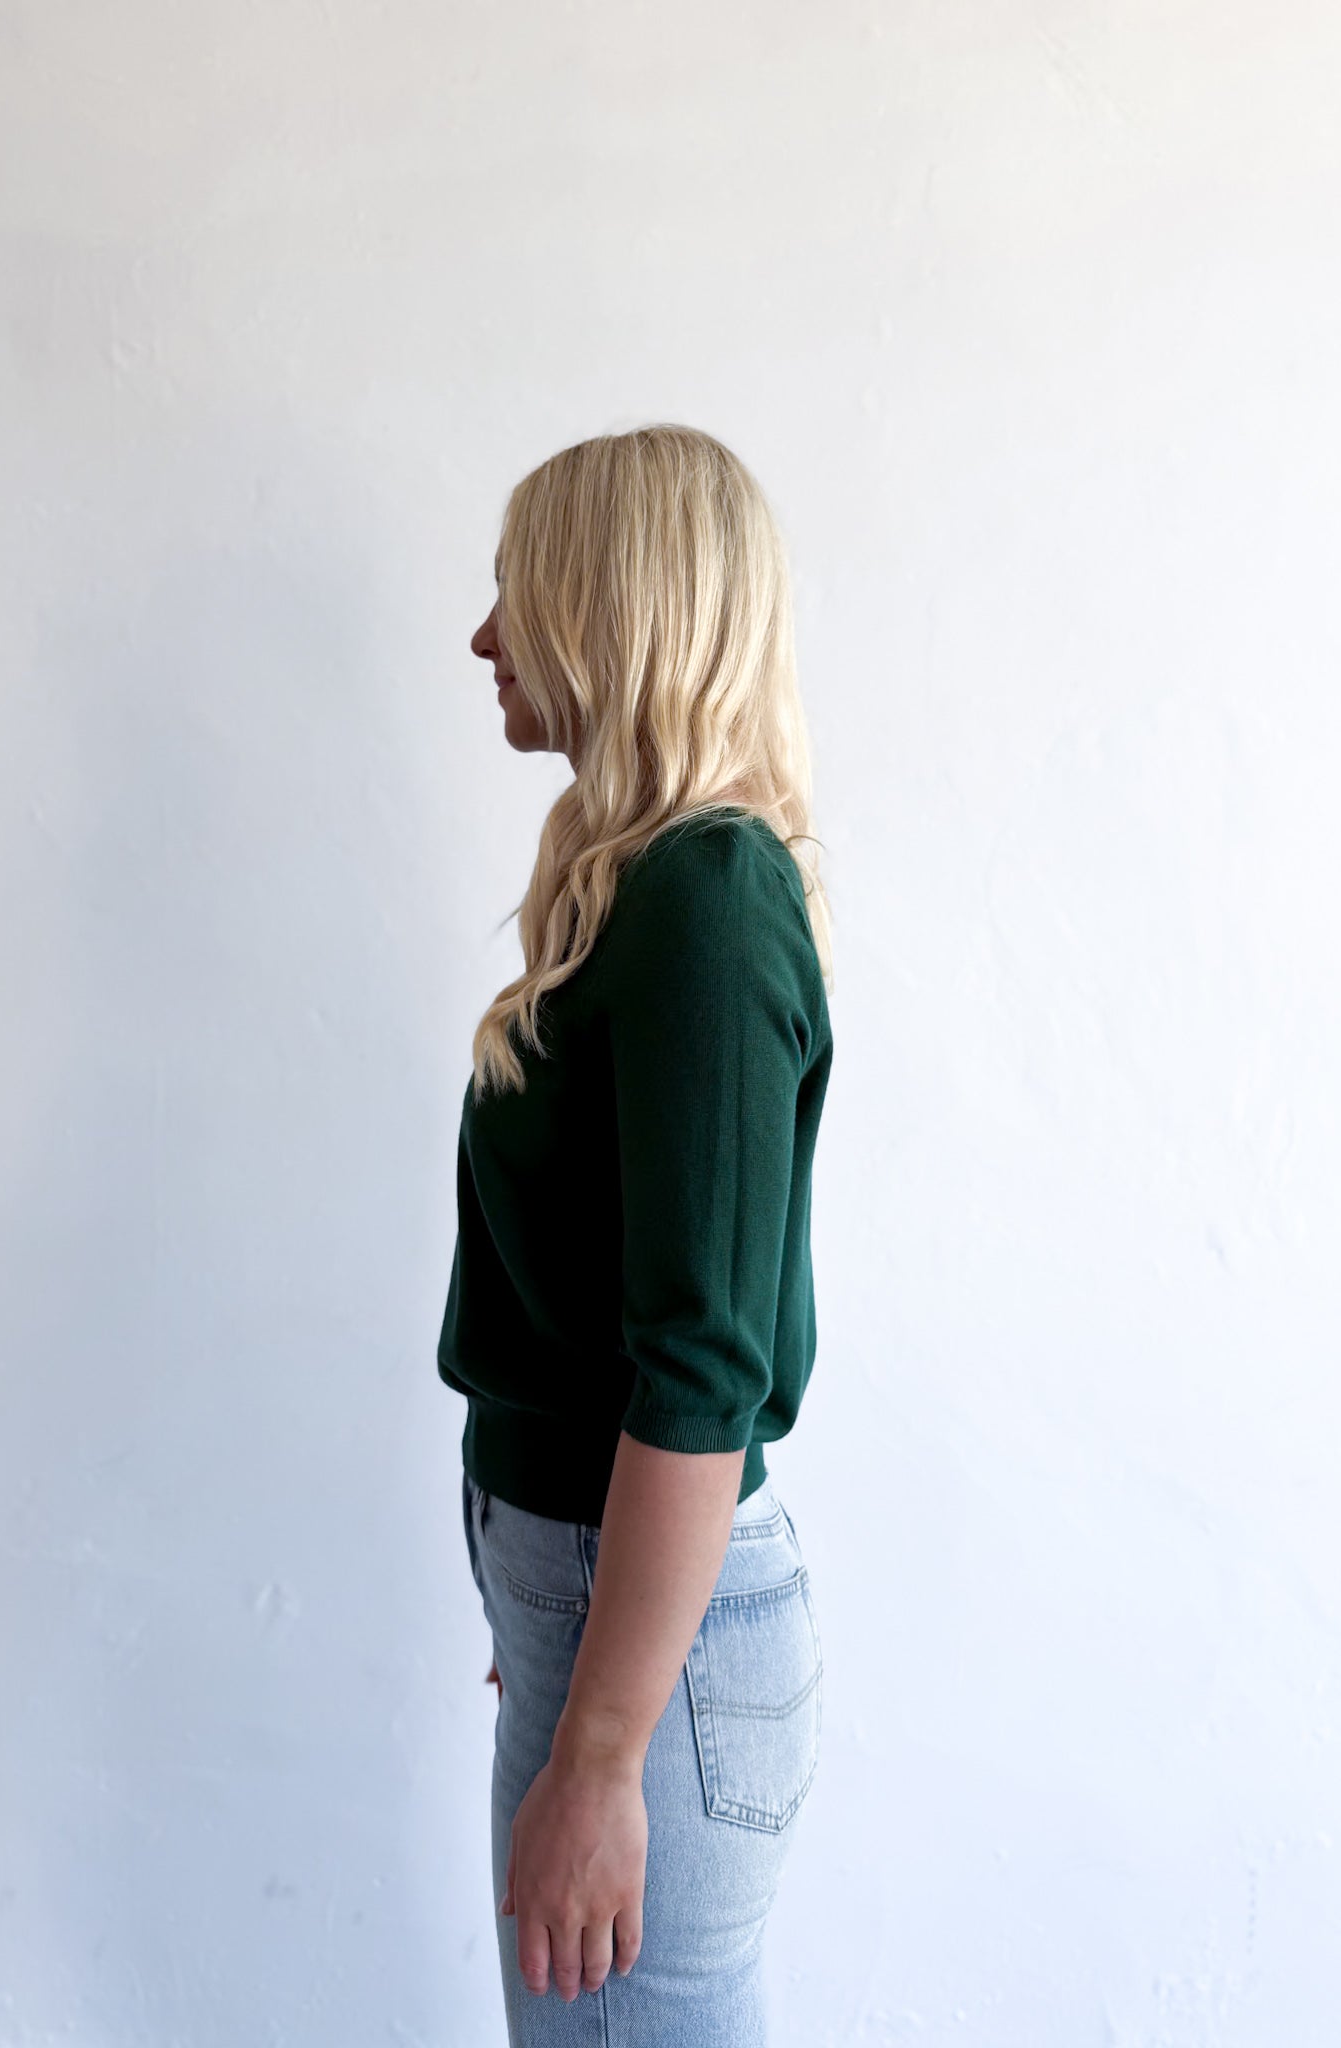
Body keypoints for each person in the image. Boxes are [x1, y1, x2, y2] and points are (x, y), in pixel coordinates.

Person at [438, 422, 835, 2045]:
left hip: (643, 1670)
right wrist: (548, 1617)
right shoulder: (645, 892)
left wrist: (604, 1741)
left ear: (613, 606)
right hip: (603, 1619)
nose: (485, 637)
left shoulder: (705, 902)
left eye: (517, 591)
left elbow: (699, 1376)